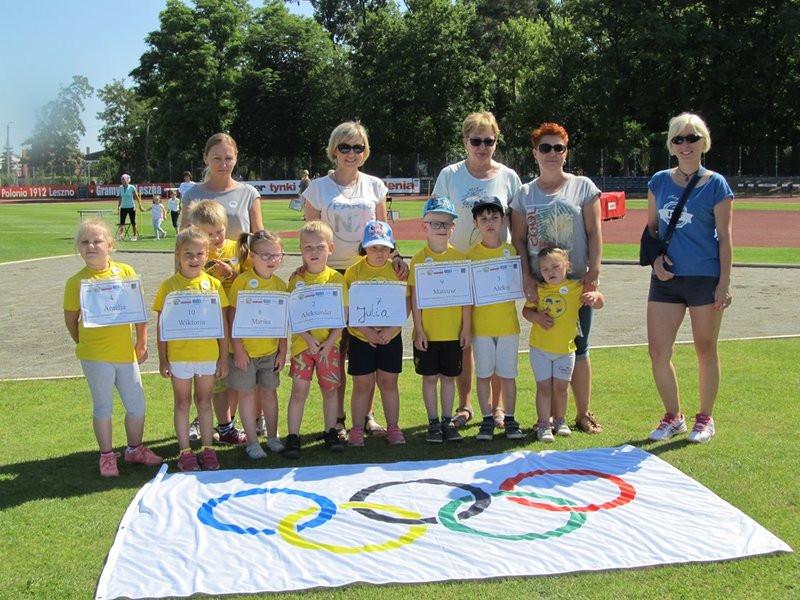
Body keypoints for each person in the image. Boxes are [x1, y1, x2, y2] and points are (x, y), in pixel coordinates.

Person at [302, 121, 407, 438]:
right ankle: (338, 418)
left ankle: (368, 415)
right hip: (332, 277)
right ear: (334, 150)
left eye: (358, 147)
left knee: (368, 345)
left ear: (365, 152)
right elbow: (310, 236)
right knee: (337, 349)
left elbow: (384, 230)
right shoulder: (318, 188)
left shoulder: (375, 185)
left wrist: (396, 256)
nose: (351, 153)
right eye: (345, 147)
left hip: (369, 275)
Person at [510, 122, 604, 434]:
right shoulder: (525, 194)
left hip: (575, 281)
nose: (552, 154)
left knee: (580, 345)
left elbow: (594, 232)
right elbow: (520, 240)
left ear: (566, 151)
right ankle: (547, 419)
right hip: (541, 283)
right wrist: (526, 275)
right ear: (535, 152)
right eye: (545, 148)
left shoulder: (583, 187)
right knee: (546, 342)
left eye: (558, 148)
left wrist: (594, 272)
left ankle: (582, 412)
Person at [646, 112, 733, 443]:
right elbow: (652, 231)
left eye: (692, 138)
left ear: (703, 142)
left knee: (704, 349)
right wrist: (655, 261)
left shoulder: (716, 184)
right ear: (671, 144)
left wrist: (724, 284)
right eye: (678, 139)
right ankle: (673, 416)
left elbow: (725, 237)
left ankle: (705, 418)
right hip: (667, 278)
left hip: (704, 276)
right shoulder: (659, 181)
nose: (685, 145)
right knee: (658, 351)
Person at [433, 111, 522, 430]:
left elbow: (518, 226)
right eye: (476, 141)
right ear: (465, 141)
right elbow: (437, 218)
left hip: (496, 272)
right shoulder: (450, 175)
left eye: (489, 141)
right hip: (459, 268)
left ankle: (497, 408)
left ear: (496, 141)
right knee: (465, 338)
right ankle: (466, 404)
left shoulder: (509, 177)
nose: (482, 147)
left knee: (495, 336)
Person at [63, 219, 163, 477]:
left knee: (136, 405)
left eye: (97, 241)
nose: (91, 246)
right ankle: (107, 456)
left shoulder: (126, 271)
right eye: (84, 242)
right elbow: (71, 320)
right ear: (78, 248)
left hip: (125, 354)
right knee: (103, 407)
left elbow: (139, 313)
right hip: (95, 356)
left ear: (110, 244)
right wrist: (85, 343)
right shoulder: (76, 282)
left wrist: (141, 343)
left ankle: (135, 449)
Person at [153, 226, 230, 471]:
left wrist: (224, 358)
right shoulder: (169, 286)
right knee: (182, 403)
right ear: (178, 255)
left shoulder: (214, 285)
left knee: (204, 402)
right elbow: (161, 326)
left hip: (208, 355)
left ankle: (208, 450)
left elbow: (222, 324)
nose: (194, 259)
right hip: (179, 357)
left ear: (206, 255)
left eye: (199, 254)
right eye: (188, 254)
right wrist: (163, 358)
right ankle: (185, 452)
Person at [522, 248, 604, 443]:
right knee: (543, 387)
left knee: (561, 387)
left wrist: (596, 298)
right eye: (545, 269)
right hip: (540, 349)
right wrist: (537, 317)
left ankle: (560, 421)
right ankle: (543, 424)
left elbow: (599, 302)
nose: (550, 272)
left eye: (556, 267)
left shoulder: (577, 287)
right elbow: (526, 312)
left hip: (566, 350)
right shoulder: (539, 290)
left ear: (567, 266)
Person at [409, 197, 472, 444]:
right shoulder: (417, 259)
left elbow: (466, 298)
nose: (441, 228)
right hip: (428, 333)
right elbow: (415, 299)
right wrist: (419, 330)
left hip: (452, 333)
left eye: (446, 223)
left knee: (448, 378)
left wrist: (466, 327)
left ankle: (447, 421)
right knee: (429, 378)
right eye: (435, 223)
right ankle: (433, 422)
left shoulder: (460, 258)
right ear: (424, 225)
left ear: (453, 227)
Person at [283, 221, 347, 459]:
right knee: (299, 392)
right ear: (300, 250)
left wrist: (330, 342)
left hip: (329, 347)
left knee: (330, 391)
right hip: (303, 346)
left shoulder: (336, 280)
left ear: (330, 248)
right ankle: (293, 436)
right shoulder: (296, 280)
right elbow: (293, 314)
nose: (314, 252)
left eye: (319, 247)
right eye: (308, 247)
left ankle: (331, 430)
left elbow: (343, 317)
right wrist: (308, 339)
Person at [344, 221, 408, 447]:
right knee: (362, 385)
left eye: (383, 247)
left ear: (391, 248)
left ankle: (393, 427)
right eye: (373, 247)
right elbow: (348, 308)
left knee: (389, 382)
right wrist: (367, 332)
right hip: (361, 339)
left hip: (391, 337)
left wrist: (391, 330)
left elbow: (406, 302)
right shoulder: (354, 272)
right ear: (364, 248)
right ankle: (357, 429)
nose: (379, 252)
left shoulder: (397, 270)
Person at [188, 200, 247, 446]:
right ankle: (221, 425)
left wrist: (231, 274)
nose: (215, 238)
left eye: (219, 231)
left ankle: (227, 423)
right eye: (209, 234)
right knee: (217, 377)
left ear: (226, 226)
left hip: (237, 320)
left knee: (234, 373)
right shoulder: (197, 253)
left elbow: (252, 279)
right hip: (209, 324)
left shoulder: (238, 249)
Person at [465, 197, 522, 441]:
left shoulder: (512, 252)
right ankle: (487, 418)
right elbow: (467, 297)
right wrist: (467, 327)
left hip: (508, 325)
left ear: (503, 220)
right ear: (475, 223)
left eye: (494, 218)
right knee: (484, 375)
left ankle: (509, 418)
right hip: (482, 328)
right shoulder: (470, 256)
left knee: (508, 375)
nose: (489, 223)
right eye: (484, 219)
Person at [227, 230, 288, 459]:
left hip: (270, 352)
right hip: (244, 354)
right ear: (252, 255)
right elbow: (232, 318)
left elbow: (282, 320)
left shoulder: (281, 285)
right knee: (247, 396)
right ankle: (252, 442)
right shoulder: (241, 282)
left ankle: (272, 437)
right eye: (265, 255)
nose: (272, 260)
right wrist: (239, 349)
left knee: (270, 395)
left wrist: (283, 349)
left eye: (276, 255)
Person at [180, 134, 264, 240]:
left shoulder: (249, 194)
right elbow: (183, 245)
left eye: (228, 158)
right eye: (217, 158)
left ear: (236, 159)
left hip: (241, 257)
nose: (223, 164)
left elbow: (260, 241)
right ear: (205, 158)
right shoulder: (192, 195)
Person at [115, 174, 145, 241]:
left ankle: (135, 236)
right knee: (122, 222)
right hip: (123, 207)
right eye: (122, 179)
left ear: (127, 180)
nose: (123, 181)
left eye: (124, 179)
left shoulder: (132, 187)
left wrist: (140, 205)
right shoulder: (120, 187)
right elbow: (120, 198)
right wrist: (118, 206)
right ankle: (121, 235)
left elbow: (137, 197)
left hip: (131, 207)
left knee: (133, 222)